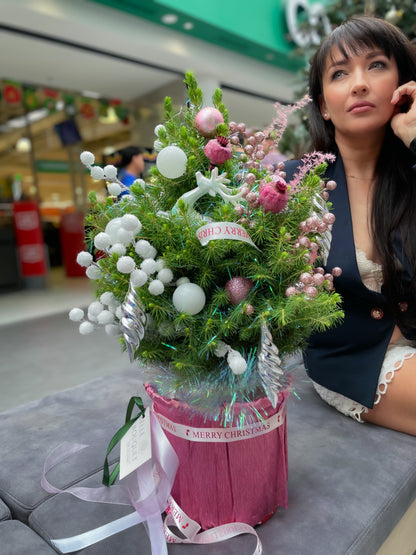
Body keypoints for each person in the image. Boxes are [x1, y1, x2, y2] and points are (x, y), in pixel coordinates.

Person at [284, 15, 416, 436]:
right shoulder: (292, 186)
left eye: (376, 65)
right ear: (323, 103)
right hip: (358, 358)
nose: (359, 83)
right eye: (339, 73)